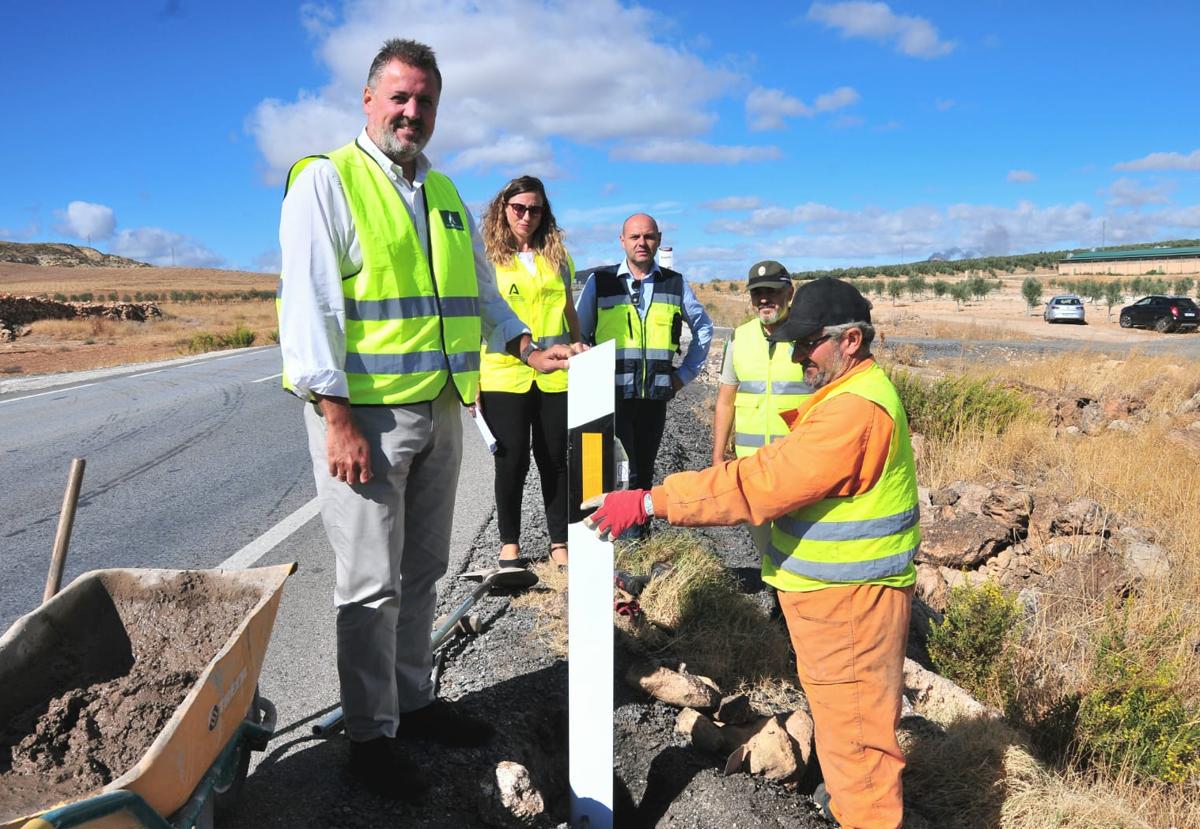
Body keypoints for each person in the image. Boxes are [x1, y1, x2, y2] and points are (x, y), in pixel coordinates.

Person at [277, 38, 571, 799]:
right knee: (370, 583)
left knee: (421, 571)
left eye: (426, 101)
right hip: (364, 420)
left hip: (440, 408)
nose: (413, 112)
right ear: (369, 101)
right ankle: (371, 736)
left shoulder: (440, 192)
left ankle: (414, 700)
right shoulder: (326, 181)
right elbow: (308, 306)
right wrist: (334, 414)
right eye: (400, 97)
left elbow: (481, 291)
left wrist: (525, 343)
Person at [586, 277, 919, 829]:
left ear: (851, 341)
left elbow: (759, 483)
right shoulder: (846, 395)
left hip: (851, 607)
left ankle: (866, 816)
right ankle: (846, 803)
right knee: (843, 725)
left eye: (807, 342)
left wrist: (651, 501)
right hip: (834, 601)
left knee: (860, 745)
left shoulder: (854, 412)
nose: (795, 354)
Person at [477, 175, 584, 568]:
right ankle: (510, 545)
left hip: (556, 374)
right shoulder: (488, 258)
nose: (526, 216)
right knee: (511, 460)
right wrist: (470, 379)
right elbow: (478, 318)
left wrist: (579, 343)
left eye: (535, 209)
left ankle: (559, 542)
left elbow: (569, 312)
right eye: (518, 208)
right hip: (503, 375)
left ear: (545, 212)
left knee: (555, 458)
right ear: (503, 209)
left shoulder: (559, 257)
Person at [575, 213, 713, 492]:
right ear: (622, 241)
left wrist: (684, 375)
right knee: (621, 473)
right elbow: (579, 334)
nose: (642, 243)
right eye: (635, 237)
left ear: (659, 241)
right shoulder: (600, 282)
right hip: (613, 395)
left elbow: (703, 328)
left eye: (648, 236)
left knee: (645, 472)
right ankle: (624, 533)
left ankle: (640, 533)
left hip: (655, 396)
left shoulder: (675, 284)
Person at [711, 260, 811, 552]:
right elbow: (725, 400)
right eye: (757, 293)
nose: (764, 299)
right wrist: (718, 456)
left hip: (796, 461)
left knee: (799, 541)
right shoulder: (739, 338)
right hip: (750, 463)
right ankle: (775, 589)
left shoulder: (808, 336)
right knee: (763, 541)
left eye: (772, 291)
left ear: (789, 293)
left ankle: (791, 594)